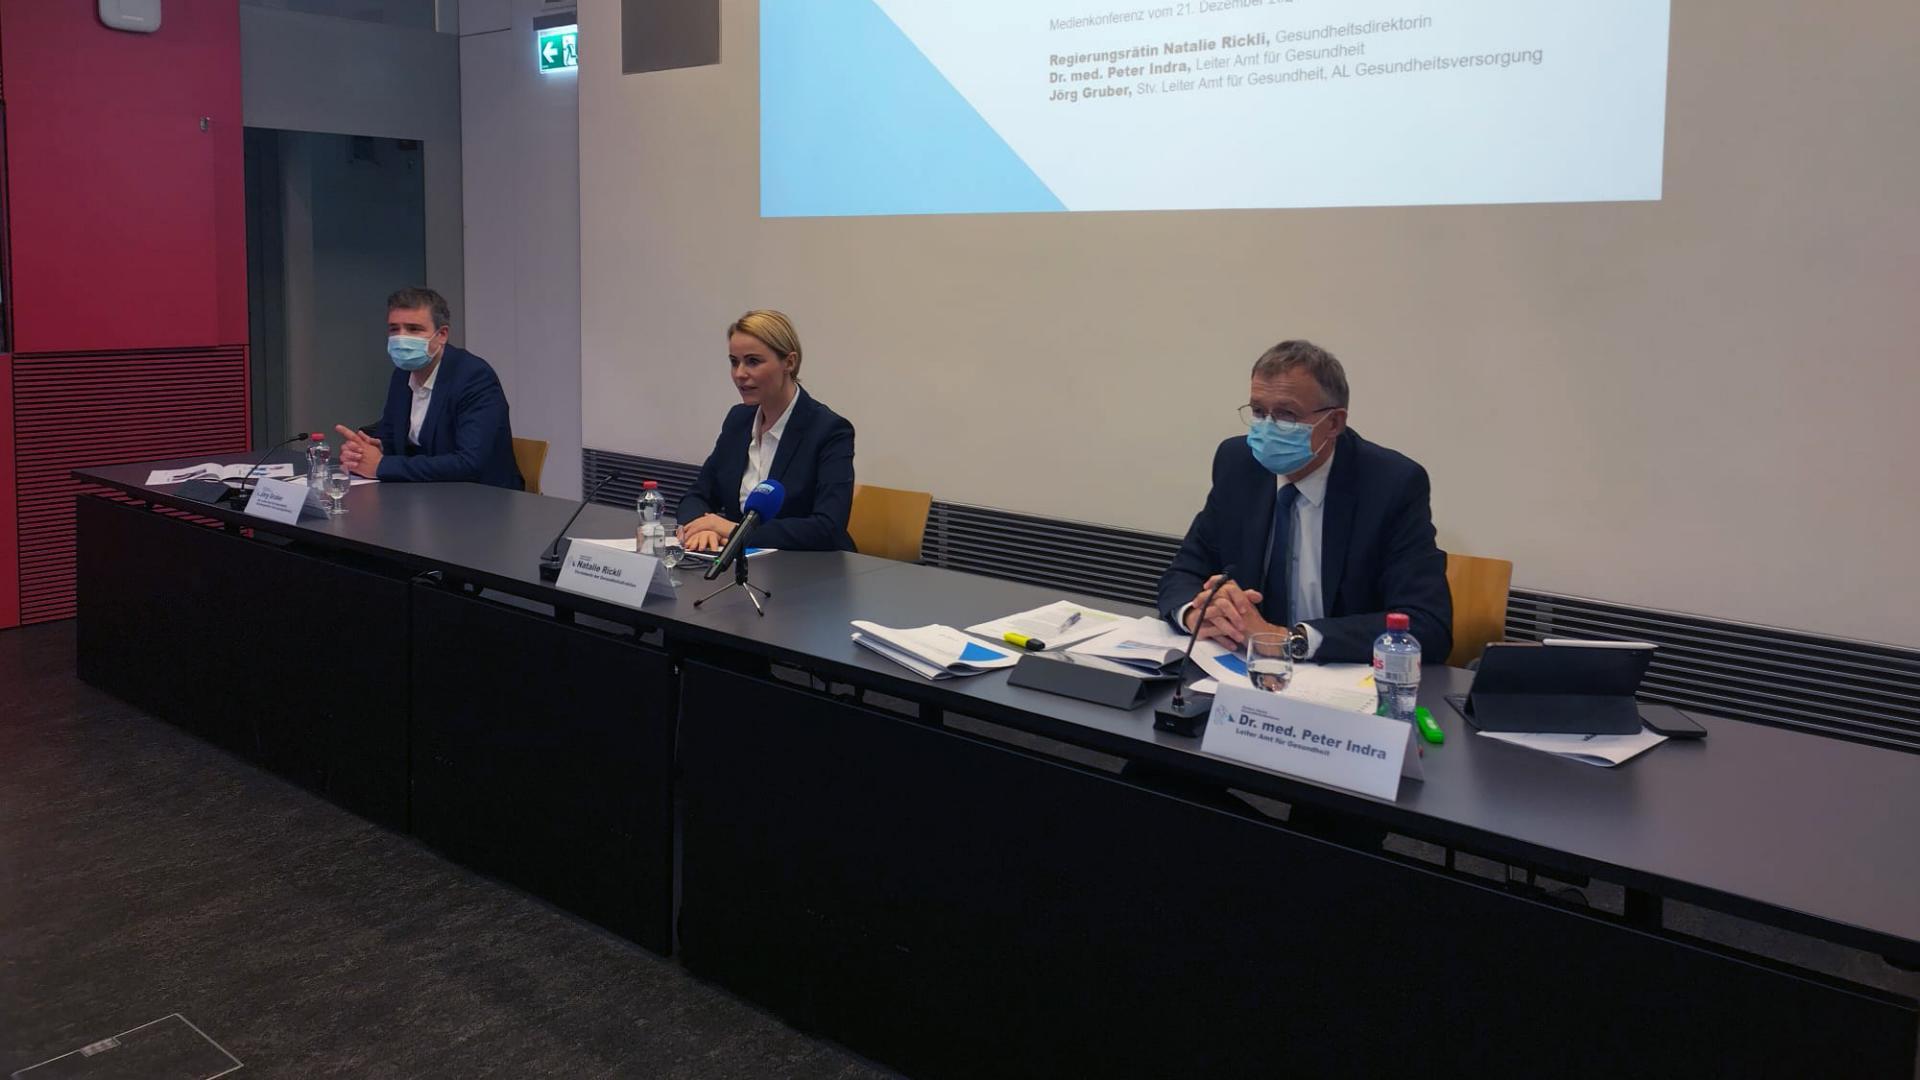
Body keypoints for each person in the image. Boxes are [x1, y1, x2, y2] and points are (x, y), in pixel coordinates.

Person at [1157, 339, 1451, 665]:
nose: (1268, 428)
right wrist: (1197, 613)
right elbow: (1182, 574)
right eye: (1258, 412)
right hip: (1243, 672)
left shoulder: (1391, 484)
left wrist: (1290, 640)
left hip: (1342, 678)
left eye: (1286, 414)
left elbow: (1427, 625)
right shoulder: (1238, 464)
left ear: (1334, 423)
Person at [675, 310, 856, 553]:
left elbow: (827, 528)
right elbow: (697, 496)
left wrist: (733, 531)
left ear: (789, 363)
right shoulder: (738, 420)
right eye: (734, 362)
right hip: (742, 563)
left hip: (807, 568)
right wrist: (701, 527)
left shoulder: (829, 430)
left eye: (753, 361)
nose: (740, 374)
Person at [334, 286, 524, 490]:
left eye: (413, 329)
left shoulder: (474, 377)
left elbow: (469, 463)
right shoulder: (402, 374)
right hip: (424, 493)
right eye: (394, 329)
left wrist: (382, 465)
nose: (401, 338)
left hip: (481, 497)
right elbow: (395, 435)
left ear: (442, 335)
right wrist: (372, 449)